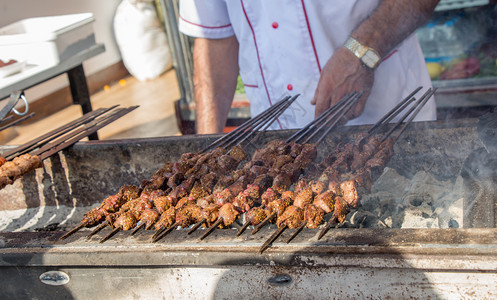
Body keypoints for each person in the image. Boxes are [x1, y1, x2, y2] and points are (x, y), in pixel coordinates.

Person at [178, 0, 440, 134]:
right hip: (278, 142)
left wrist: (361, 52)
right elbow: (215, 37)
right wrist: (208, 148)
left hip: (384, 121)